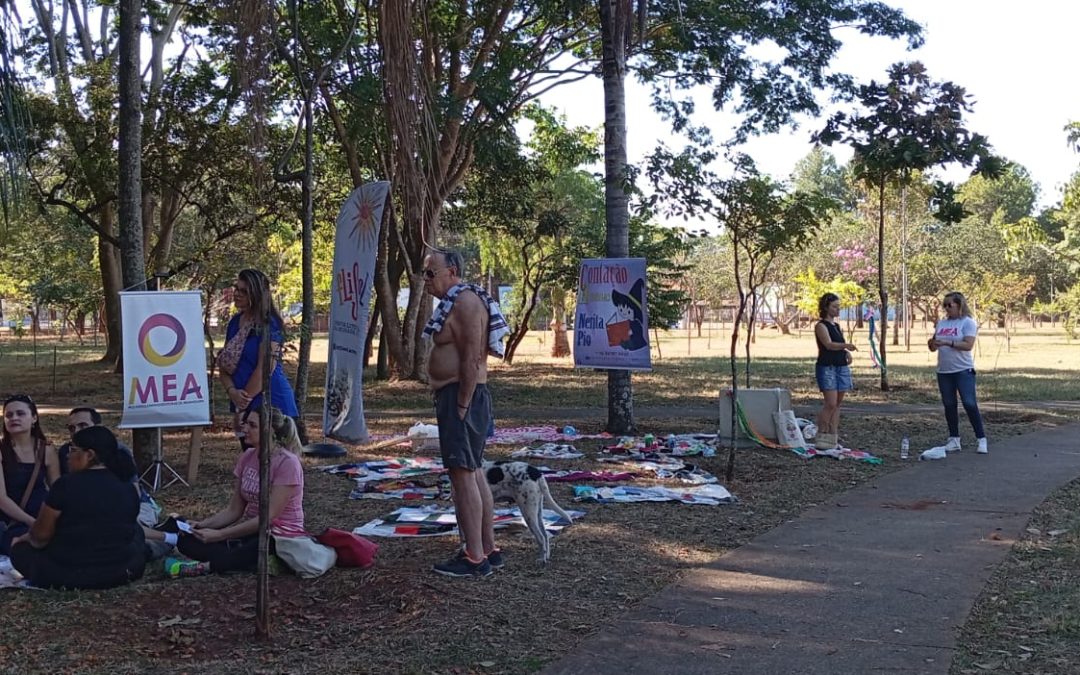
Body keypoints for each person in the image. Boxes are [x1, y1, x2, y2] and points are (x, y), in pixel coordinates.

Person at [421, 248, 509, 577]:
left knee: (462, 475)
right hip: (458, 395)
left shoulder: (467, 302)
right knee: (471, 473)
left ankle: (474, 558)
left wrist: (461, 403)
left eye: (431, 273)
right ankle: (486, 548)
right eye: (425, 273)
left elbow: (473, 359)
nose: (426, 280)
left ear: (453, 271)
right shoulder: (454, 302)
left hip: (463, 397)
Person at [167, 407, 305, 577]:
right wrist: (202, 525)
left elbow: (269, 517)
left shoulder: (288, 463)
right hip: (251, 530)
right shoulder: (247, 456)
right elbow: (234, 510)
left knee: (256, 546)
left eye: (252, 425)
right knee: (187, 540)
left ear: (270, 430)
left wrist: (220, 535)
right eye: (245, 423)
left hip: (279, 535)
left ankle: (206, 567)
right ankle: (245, 560)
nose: (244, 429)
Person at [9, 426, 145, 590]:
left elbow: (40, 538)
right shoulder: (127, 486)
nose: (67, 455)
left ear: (89, 455)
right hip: (121, 571)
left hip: (69, 573)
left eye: (73, 450)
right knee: (138, 533)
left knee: (19, 550)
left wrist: (23, 540)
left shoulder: (65, 486)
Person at [56, 406, 172, 559]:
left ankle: (163, 540)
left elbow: (133, 493)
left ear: (98, 427)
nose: (76, 431)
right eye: (71, 428)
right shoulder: (66, 452)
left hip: (130, 506)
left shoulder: (118, 451)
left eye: (83, 425)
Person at [217, 269, 298, 446]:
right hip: (242, 402)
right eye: (236, 288)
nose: (237, 294)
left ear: (257, 294)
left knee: (276, 464)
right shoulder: (234, 323)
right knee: (250, 463)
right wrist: (233, 394)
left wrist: (242, 403)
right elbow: (225, 365)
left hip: (270, 402)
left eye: (244, 291)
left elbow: (265, 369)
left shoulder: (270, 324)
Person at [928, 291, 988, 454]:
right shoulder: (942, 323)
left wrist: (948, 342)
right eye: (944, 305)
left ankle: (981, 439)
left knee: (969, 403)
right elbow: (933, 344)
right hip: (944, 370)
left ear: (959, 305)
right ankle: (954, 439)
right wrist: (933, 344)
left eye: (950, 305)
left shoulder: (967, 322)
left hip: (963, 370)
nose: (946, 308)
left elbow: (968, 345)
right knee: (949, 405)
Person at [0, 395, 60, 554]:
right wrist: (33, 523)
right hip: (10, 519)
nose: (14, 418)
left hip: (41, 515)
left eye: (20, 413)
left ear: (34, 418)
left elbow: (58, 491)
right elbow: (1, 498)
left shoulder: (46, 449)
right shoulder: (1, 449)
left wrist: (47, 522)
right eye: (9, 415)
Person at [813, 294, 857, 451]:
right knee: (830, 403)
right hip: (827, 367)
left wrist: (846, 352)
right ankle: (822, 434)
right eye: (834, 306)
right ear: (826, 307)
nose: (837, 309)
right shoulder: (821, 326)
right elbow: (829, 344)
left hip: (841, 367)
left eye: (839, 306)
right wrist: (846, 345)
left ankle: (833, 436)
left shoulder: (836, 326)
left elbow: (839, 344)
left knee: (838, 404)